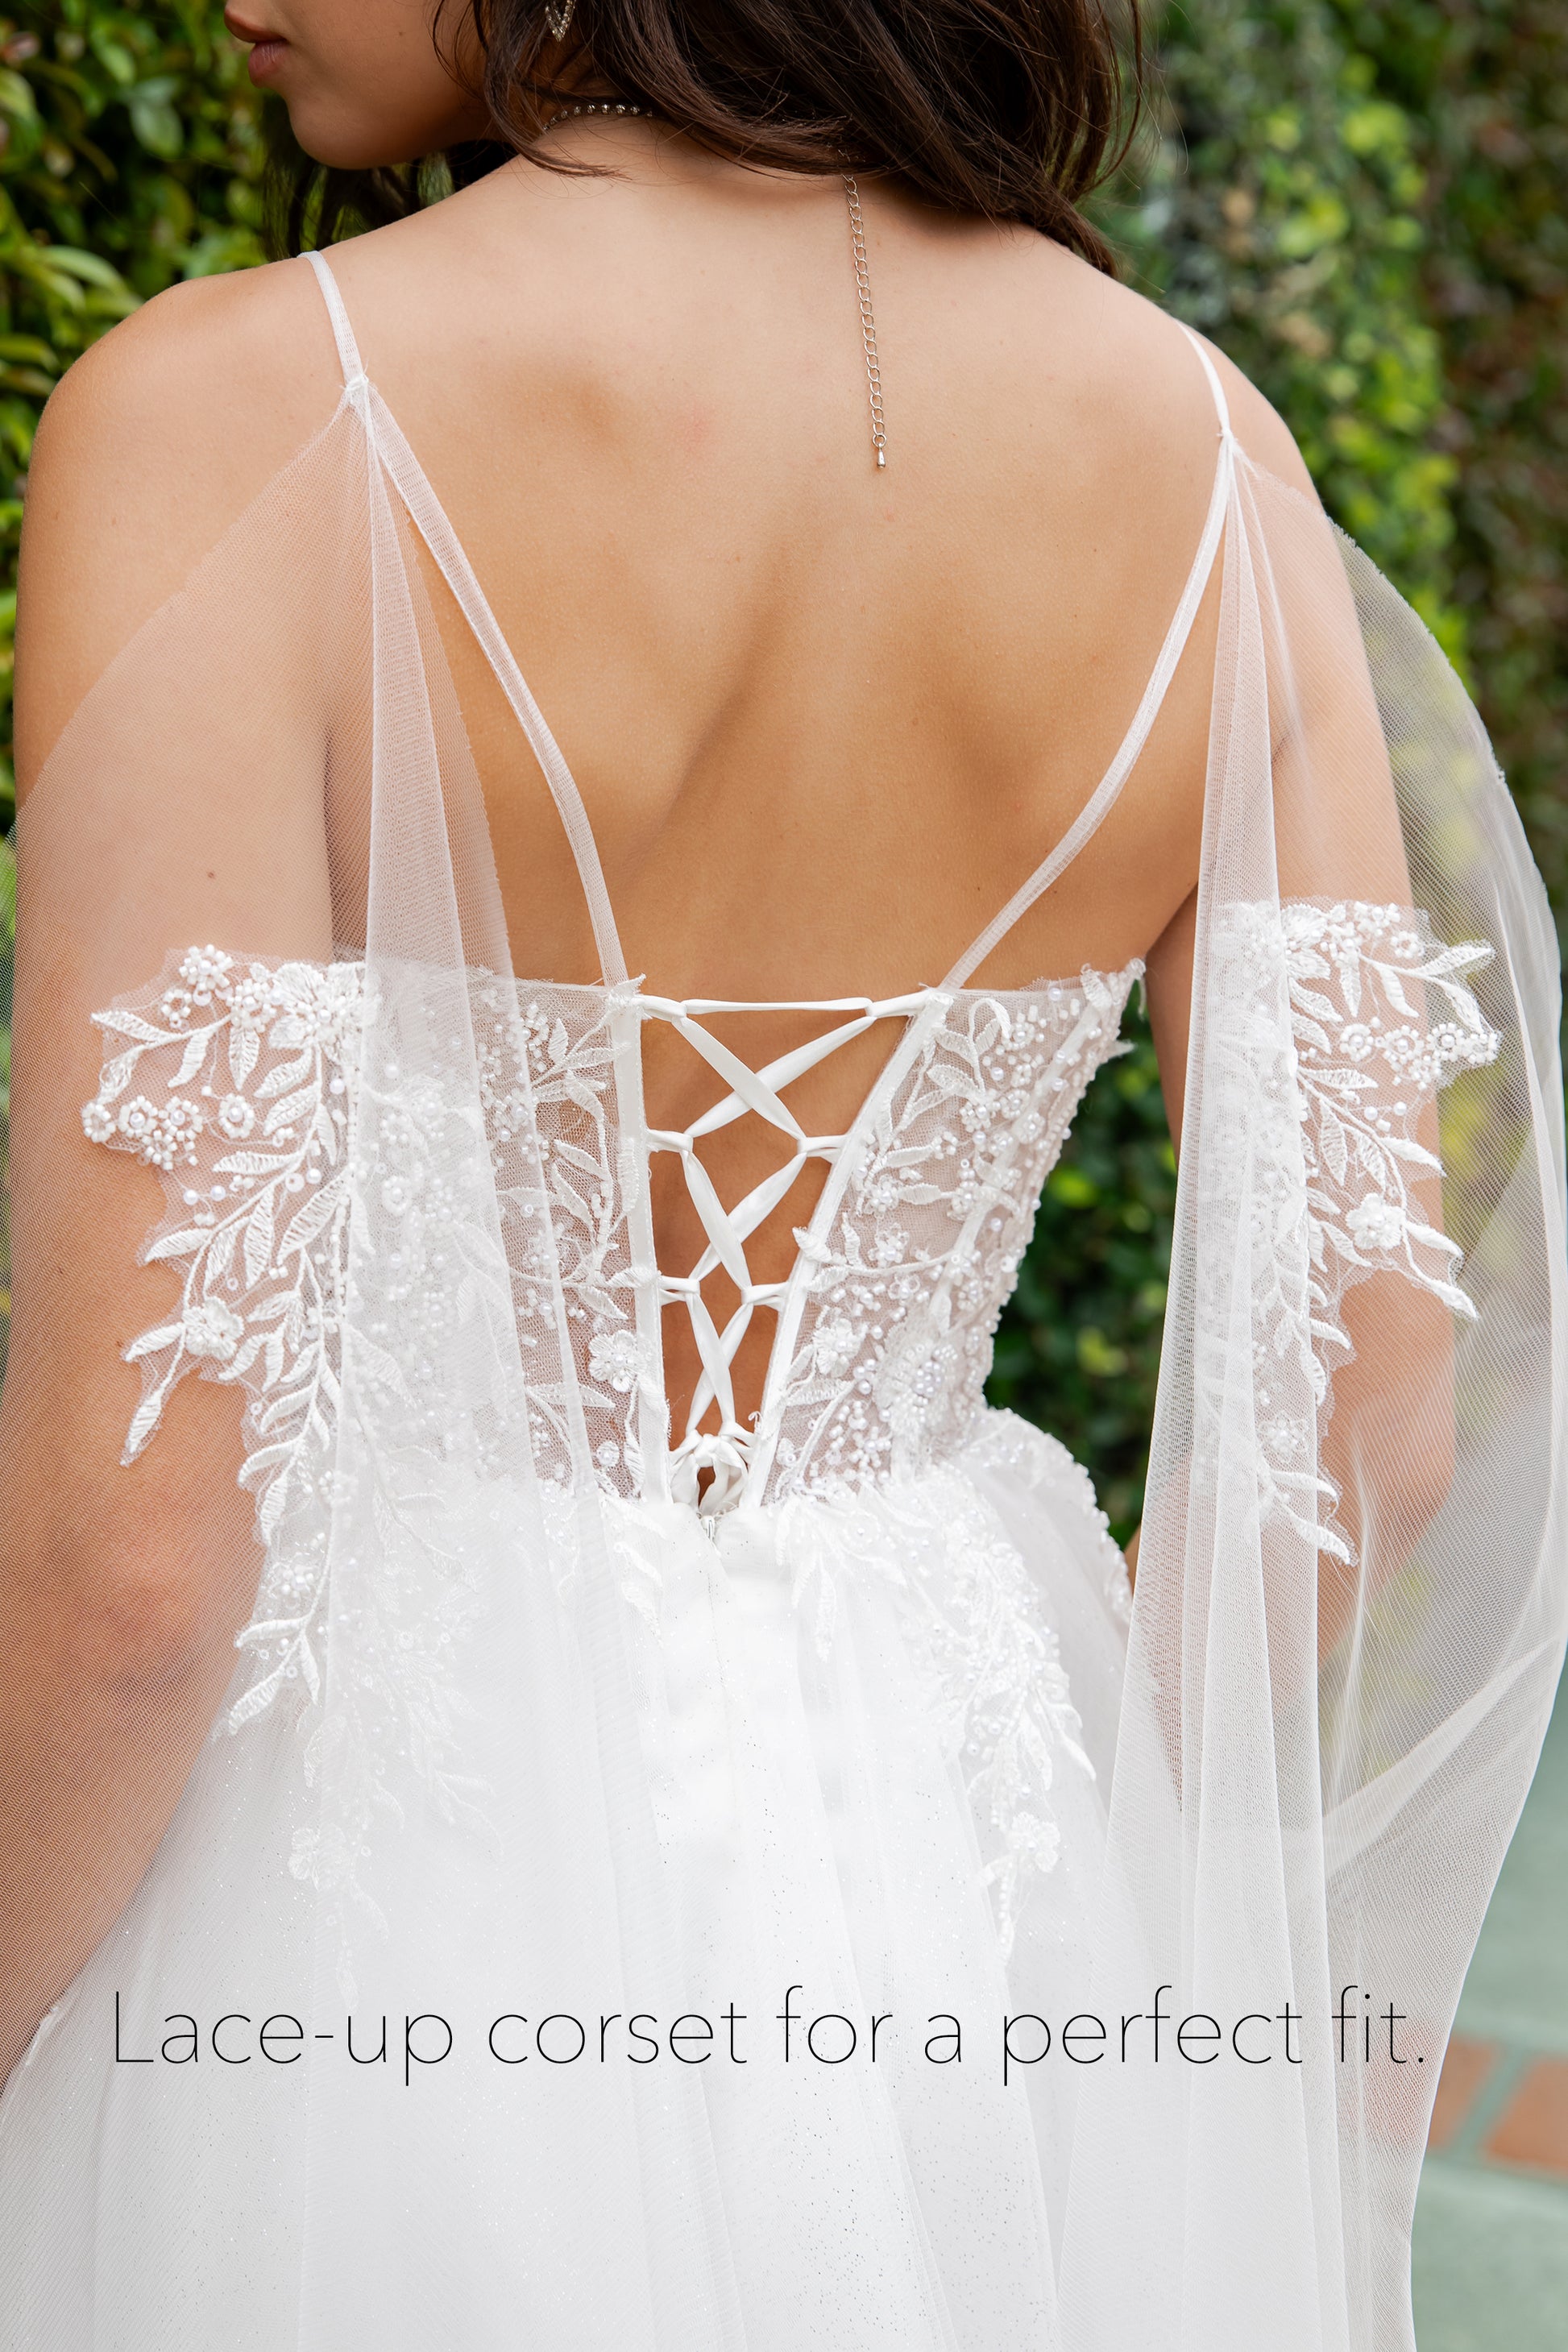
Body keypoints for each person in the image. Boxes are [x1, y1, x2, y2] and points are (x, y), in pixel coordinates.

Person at [0, 4, 1562, 2346]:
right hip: (965, 1863)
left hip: (355, 1887)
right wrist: (1066, 1880)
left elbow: (140, 1562)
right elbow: (1371, 1413)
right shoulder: (1213, 465)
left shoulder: (230, 410)